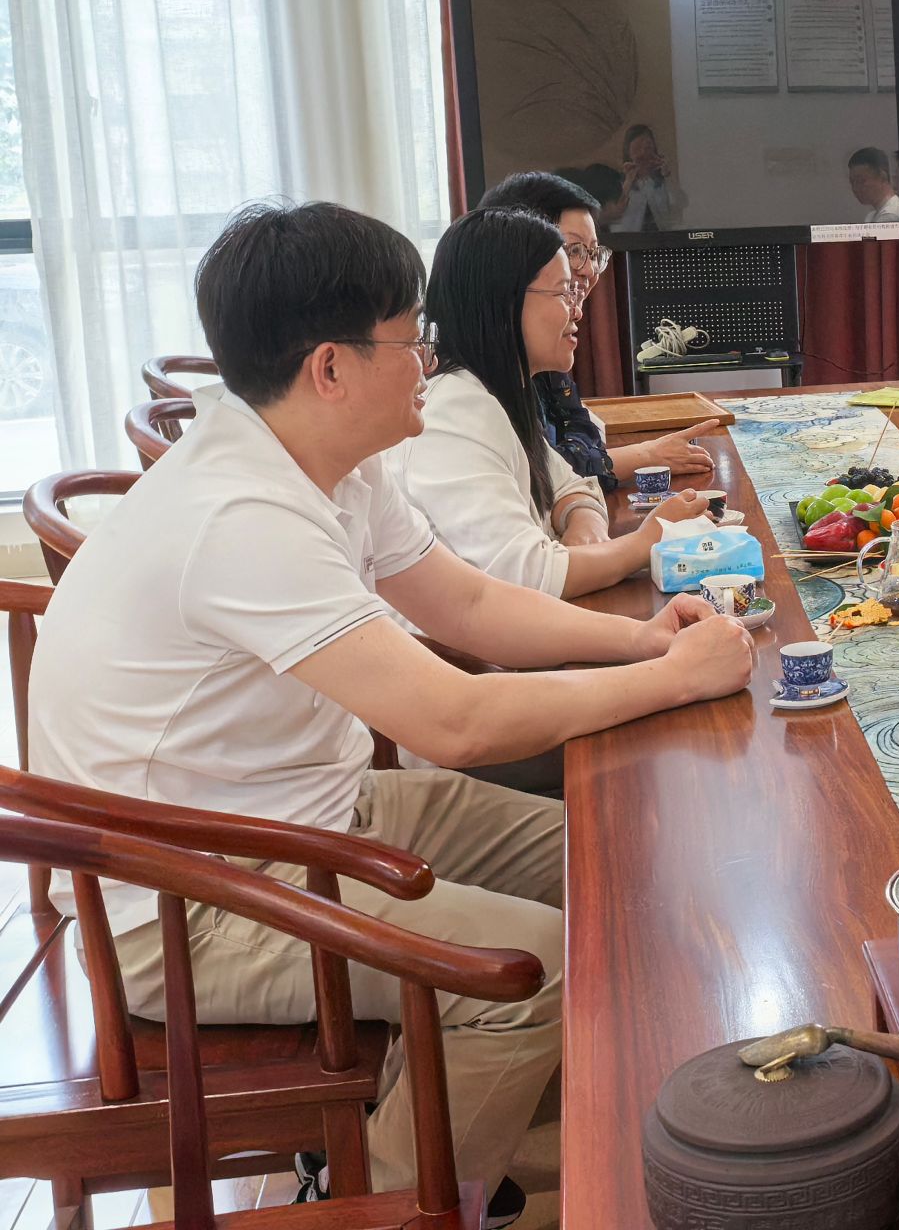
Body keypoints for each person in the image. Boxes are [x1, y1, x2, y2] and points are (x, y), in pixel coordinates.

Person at [26, 201, 756, 1224]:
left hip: (315, 815)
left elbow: (471, 606)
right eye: (412, 339)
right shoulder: (239, 513)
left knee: (618, 853)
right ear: (331, 367)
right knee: (531, 971)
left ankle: (503, 1151)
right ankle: (385, 1200)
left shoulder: (330, 459)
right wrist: (676, 680)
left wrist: (644, 642)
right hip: (194, 895)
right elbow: (452, 723)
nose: (430, 360)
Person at [394, 208, 708, 599]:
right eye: (563, 293)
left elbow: (573, 484)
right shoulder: (454, 412)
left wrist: (584, 526)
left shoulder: (499, 393)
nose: (578, 309)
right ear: (504, 302)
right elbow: (529, 575)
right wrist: (648, 539)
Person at [479, 170, 717, 497]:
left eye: (593, 253)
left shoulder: (543, 347)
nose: (589, 270)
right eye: (574, 250)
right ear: (516, 252)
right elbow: (543, 474)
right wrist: (645, 456)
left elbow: (583, 434)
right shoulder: (483, 379)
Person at [615, 123, 687, 231]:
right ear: (629, 152)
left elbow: (682, 202)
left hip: (662, 236)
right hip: (630, 237)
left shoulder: (661, 180)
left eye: (647, 147)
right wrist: (628, 182)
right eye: (637, 148)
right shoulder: (619, 181)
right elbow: (615, 211)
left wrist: (667, 175)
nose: (643, 153)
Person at [847, 146, 899, 223]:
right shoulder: (872, 215)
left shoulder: (890, 216)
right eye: (852, 182)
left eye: (861, 181)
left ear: (883, 177)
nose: (855, 188)